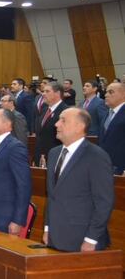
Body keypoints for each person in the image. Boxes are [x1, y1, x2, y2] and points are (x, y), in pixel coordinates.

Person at [43, 108, 113, 251]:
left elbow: (104, 201)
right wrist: (47, 228)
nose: (56, 124)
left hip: (82, 239)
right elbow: (52, 196)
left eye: (63, 120)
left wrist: (91, 239)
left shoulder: (96, 156)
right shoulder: (54, 153)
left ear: (79, 127)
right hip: (55, 236)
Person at [0, 109, 31, 234]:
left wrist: (18, 220)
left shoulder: (15, 147)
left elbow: (23, 185)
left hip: (4, 217)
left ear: (8, 124)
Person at [34, 81, 68, 166]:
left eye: (47, 91)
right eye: (43, 91)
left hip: (56, 158)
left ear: (58, 93)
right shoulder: (44, 110)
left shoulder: (65, 111)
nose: (43, 94)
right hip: (40, 157)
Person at [99, 82, 125, 174]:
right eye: (106, 92)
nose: (106, 95)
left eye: (111, 92)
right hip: (106, 166)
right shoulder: (107, 114)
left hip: (122, 167)